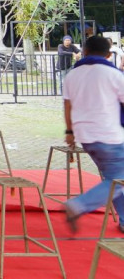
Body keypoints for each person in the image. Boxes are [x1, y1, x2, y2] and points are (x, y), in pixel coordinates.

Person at [61, 35, 124, 234]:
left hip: (85, 136)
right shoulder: (113, 74)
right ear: (108, 54)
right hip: (109, 134)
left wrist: (70, 131)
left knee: (115, 179)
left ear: (85, 51)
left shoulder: (72, 74)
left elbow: (67, 105)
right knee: (119, 179)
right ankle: (79, 204)